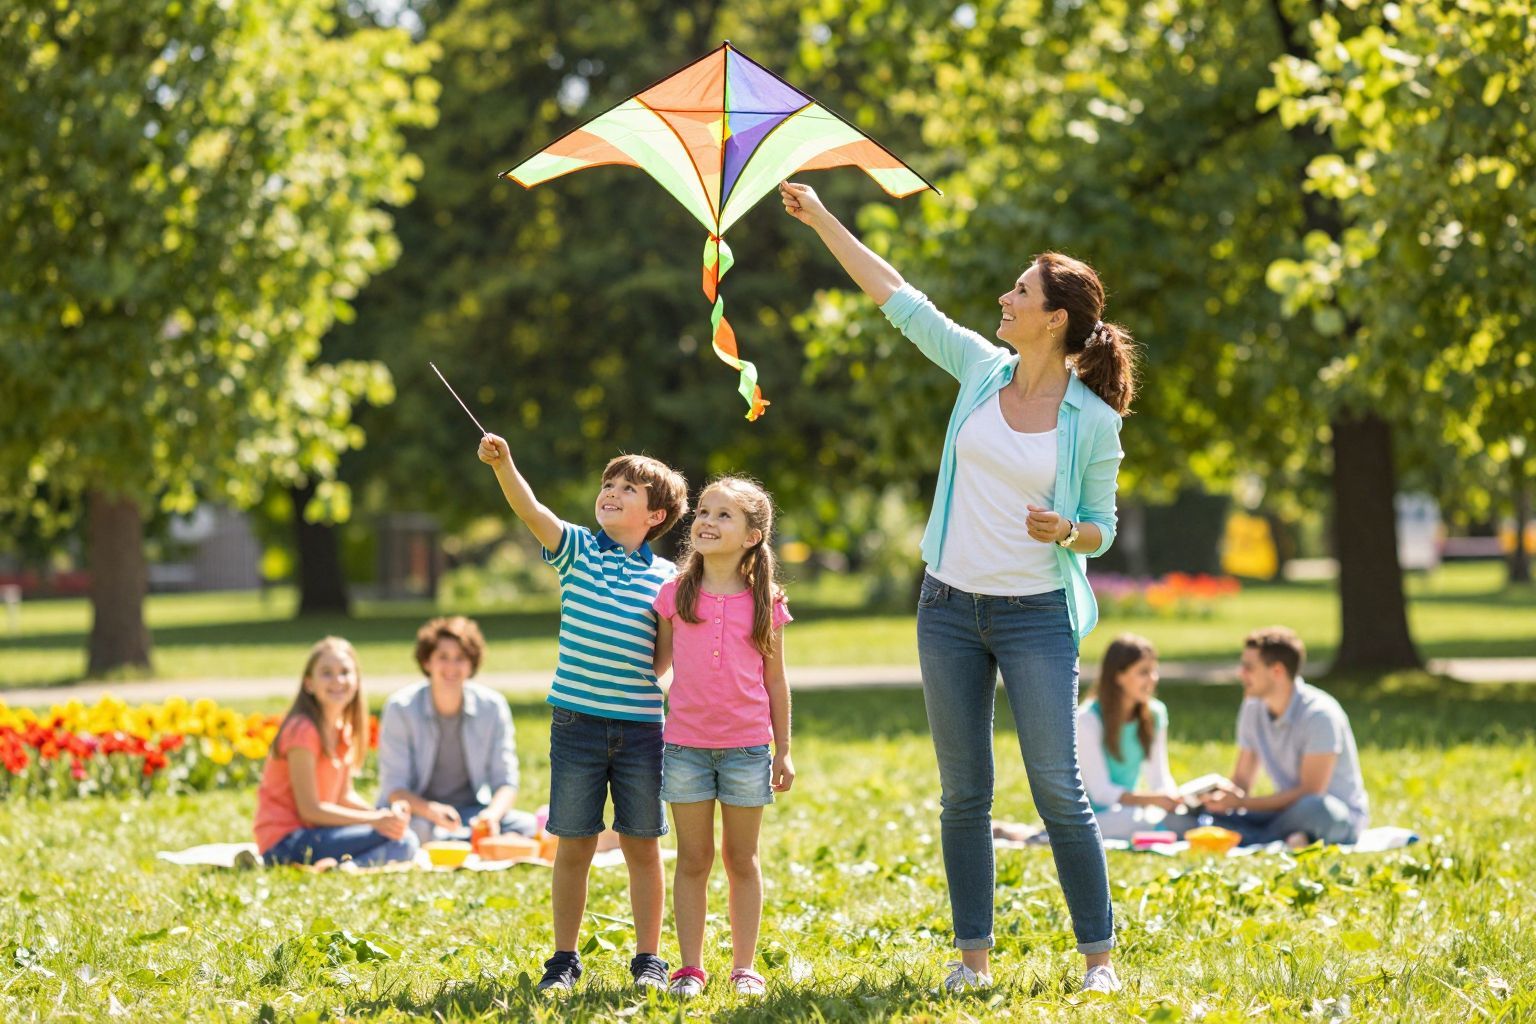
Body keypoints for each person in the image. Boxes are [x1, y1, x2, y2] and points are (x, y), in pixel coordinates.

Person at [780, 180, 1136, 994]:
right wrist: (823, 217)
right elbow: (901, 300)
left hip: (1036, 616)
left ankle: (1099, 961)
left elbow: (1102, 527)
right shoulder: (981, 370)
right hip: (947, 608)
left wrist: (1067, 532)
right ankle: (972, 960)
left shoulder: (1093, 420)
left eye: (1020, 291)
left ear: (1055, 317)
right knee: (964, 792)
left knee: (1057, 787)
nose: (1003, 299)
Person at [478, 433, 688, 993]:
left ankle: (649, 959)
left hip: (643, 728)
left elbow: (665, 661)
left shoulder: (667, 578)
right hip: (576, 726)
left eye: (628, 489)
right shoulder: (575, 549)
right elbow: (530, 508)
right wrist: (506, 464)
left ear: (657, 515)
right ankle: (564, 959)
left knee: (643, 845)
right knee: (573, 843)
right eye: (608, 485)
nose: (611, 493)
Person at [651, 477, 795, 1000]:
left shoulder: (767, 601)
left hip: (747, 749)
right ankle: (689, 968)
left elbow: (776, 681)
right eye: (703, 512)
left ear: (753, 536)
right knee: (693, 860)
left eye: (723, 515)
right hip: (685, 746)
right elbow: (660, 665)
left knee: (742, 859)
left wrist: (783, 750)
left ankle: (744, 967)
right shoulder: (674, 593)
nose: (706, 522)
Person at [254, 637, 418, 868]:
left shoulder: (342, 731)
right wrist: (376, 820)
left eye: (345, 672)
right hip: (286, 841)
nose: (338, 680)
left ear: (356, 680)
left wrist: (386, 818)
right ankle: (346, 867)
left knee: (403, 840)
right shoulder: (302, 730)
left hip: (317, 834)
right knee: (404, 842)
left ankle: (341, 868)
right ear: (309, 683)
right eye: (326, 673)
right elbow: (310, 810)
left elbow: (343, 797)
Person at [1200, 627, 1368, 847]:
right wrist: (1221, 800)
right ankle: (1281, 838)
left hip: (1332, 815)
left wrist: (1243, 802)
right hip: (1283, 813)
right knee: (1201, 817)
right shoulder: (1253, 708)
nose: (1241, 673)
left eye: (1249, 667)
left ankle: (1254, 839)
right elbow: (1242, 779)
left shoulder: (1320, 715)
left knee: (1315, 808)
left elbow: (1311, 791)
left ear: (1277, 671)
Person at [376, 615, 537, 845]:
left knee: (527, 825)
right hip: (419, 814)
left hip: (471, 812)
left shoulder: (493, 707)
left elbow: (506, 782)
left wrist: (490, 817)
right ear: (427, 662)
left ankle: (462, 838)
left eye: (460, 658)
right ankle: (464, 840)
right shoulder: (400, 708)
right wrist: (432, 811)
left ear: (471, 664)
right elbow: (395, 788)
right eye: (443, 657)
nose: (451, 667)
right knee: (412, 832)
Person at [1078, 635, 1199, 840]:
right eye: (1143, 672)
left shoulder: (1155, 713)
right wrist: (1153, 800)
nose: (1153, 679)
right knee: (1140, 820)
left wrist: (1172, 800)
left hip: (1134, 811)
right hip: (1096, 816)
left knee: (1183, 819)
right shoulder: (1087, 719)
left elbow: (1159, 777)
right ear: (1118, 676)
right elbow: (1100, 792)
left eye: (1154, 671)